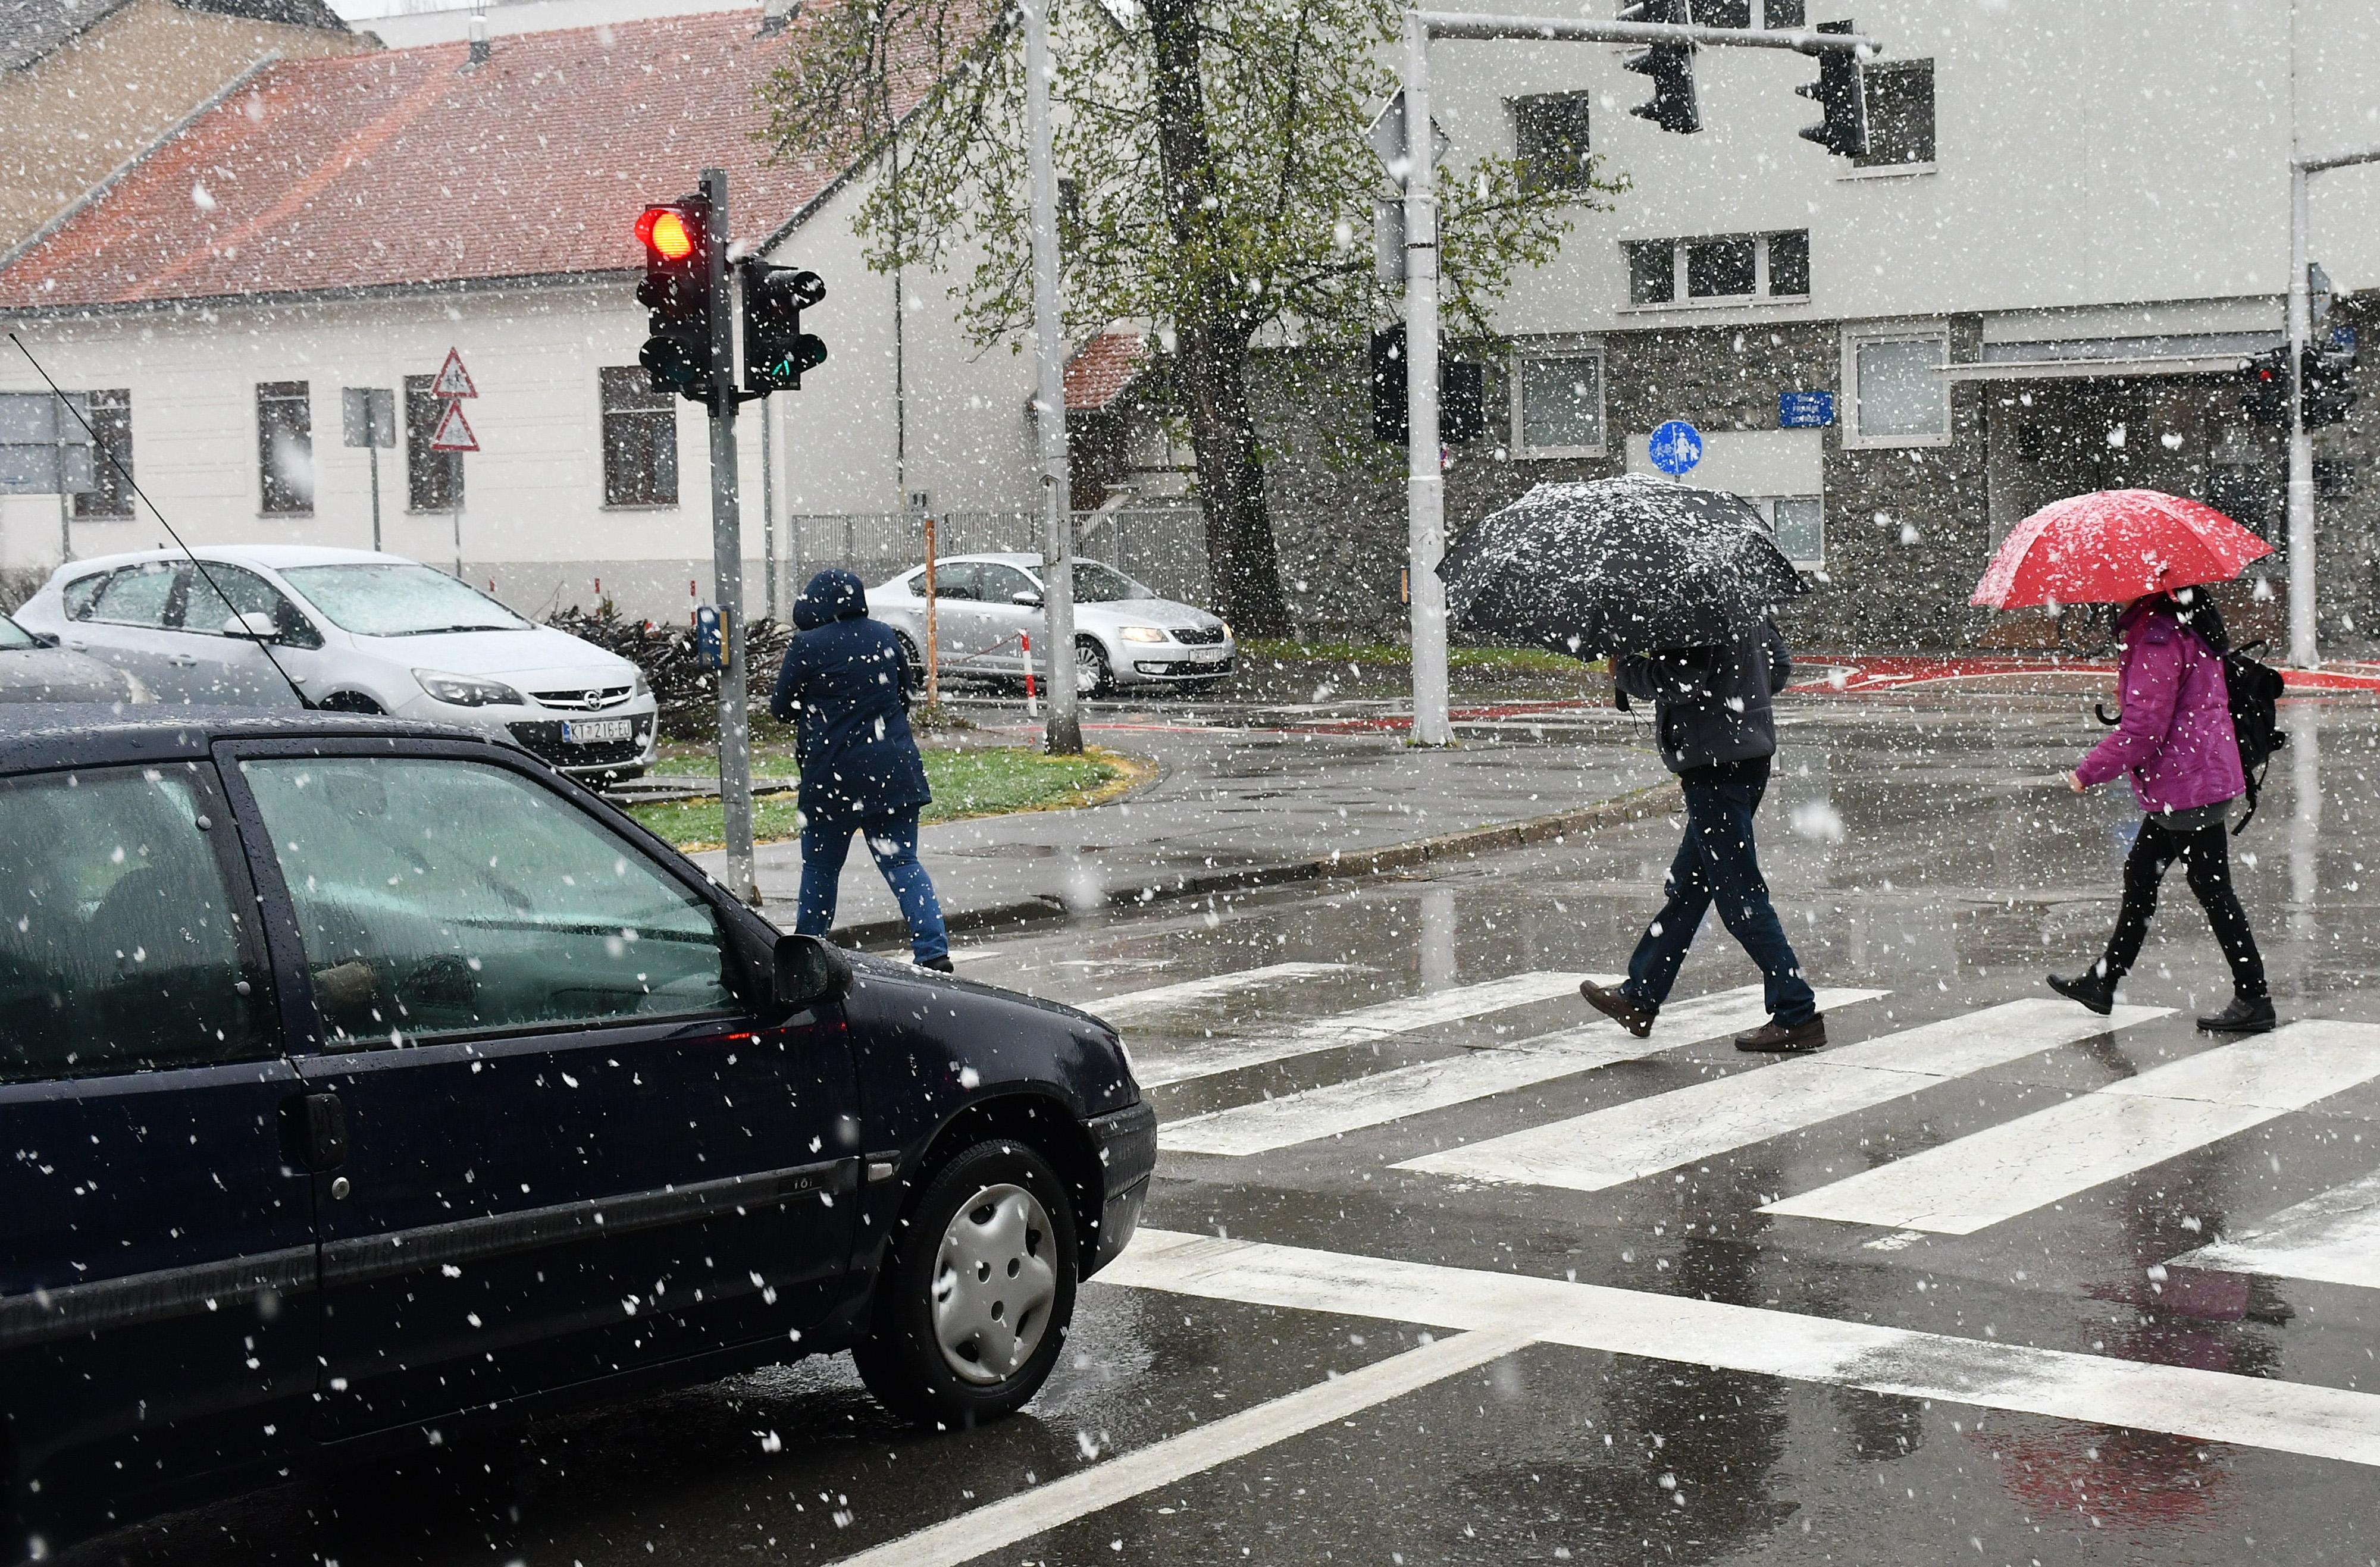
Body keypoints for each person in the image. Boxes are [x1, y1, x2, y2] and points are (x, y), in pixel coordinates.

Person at [1581, 620, 1826, 1053]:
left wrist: (1626, 672)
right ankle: (1640, 996)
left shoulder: (1687, 613)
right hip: (1747, 757)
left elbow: (1681, 681)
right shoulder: (1735, 600)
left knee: (1740, 898)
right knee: (1690, 888)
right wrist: (1738, 700)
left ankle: (1797, 1013)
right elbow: (1780, 667)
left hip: (1714, 768)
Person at [2049, 587, 2271, 1032]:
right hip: (2193, 774)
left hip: (2187, 783)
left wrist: (2088, 772)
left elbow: (2144, 729)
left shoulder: (2157, 636)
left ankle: (2253, 995)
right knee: (2142, 875)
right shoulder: (2183, 624)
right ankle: (2104, 980)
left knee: (2212, 890)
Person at [771, 568, 951, 971]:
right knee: (903, 863)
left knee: (820, 869)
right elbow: (906, 692)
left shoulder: (806, 646)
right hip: (893, 772)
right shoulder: (884, 635)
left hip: (830, 777)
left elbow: (781, 708)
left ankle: (807, 957)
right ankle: (933, 951)